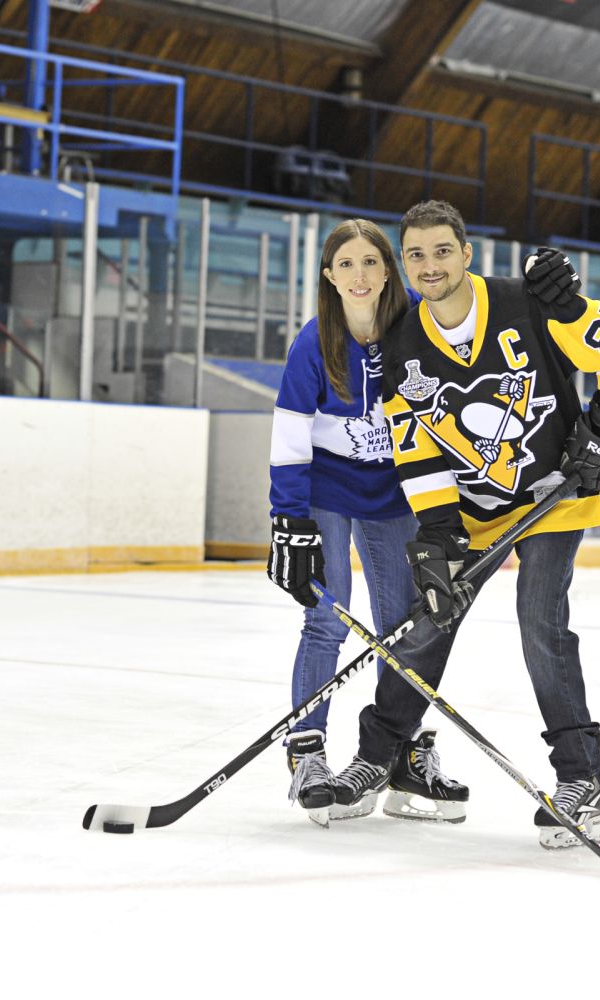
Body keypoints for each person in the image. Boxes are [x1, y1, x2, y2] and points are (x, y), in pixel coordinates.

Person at [302, 199, 600, 849]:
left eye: (442, 250)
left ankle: (581, 776)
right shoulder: (402, 345)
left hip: (552, 496)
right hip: (470, 517)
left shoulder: (531, 302)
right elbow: (418, 449)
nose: (429, 265)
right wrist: (436, 534)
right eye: (415, 254)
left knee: (539, 619)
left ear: (466, 254)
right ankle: (379, 756)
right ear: (403, 265)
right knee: (425, 625)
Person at [266, 218, 468, 825]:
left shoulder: (413, 334)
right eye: (347, 264)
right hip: (327, 492)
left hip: (395, 496)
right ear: (330, 276)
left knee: (403, 628)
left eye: (371, 263)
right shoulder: (313, 343)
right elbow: (290, 438)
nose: (360, 275)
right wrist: (288, 521)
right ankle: (308, 751)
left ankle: (398, 754)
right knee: (325, 619)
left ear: (389, 271)